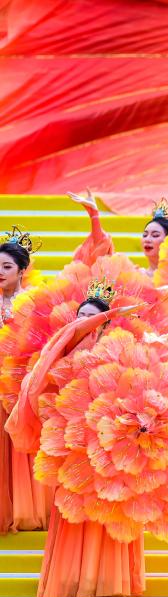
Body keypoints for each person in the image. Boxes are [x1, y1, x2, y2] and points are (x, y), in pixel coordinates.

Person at [6, 279, 142, 597]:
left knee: (110, 507)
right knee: (73, 509)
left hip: (111, 440)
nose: (82, 322)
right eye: (79, 316)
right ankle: (75, 578)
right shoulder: (61, 352)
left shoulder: (121, 350)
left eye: (91, 318)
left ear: (104, 323)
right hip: (73, 441)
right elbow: (43, 388)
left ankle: (110, 580)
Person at [0, 226, 43, 535]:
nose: (0, 272)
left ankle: (21, 508)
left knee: (17, 445)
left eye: (6, 267)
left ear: (22, 270)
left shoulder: (31, 302)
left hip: (17, 381)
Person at [66, 190, 168, 275]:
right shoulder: (135, 276)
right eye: (145, 235)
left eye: (155, 235)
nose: (147, 239)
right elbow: (102, 250)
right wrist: (94, 215)